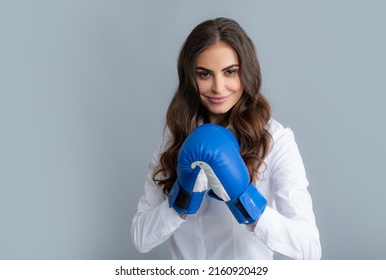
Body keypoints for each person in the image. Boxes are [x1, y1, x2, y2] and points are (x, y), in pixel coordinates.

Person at [131, 17, 321, 260]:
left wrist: (246, 202)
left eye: (230, 72)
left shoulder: (275, 142)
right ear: (190, 77)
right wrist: (181, 201)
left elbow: (310, 249)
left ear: (247, 71)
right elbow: (140, 238)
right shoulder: (174, 141)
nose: (218, 88)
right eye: (204, 74)